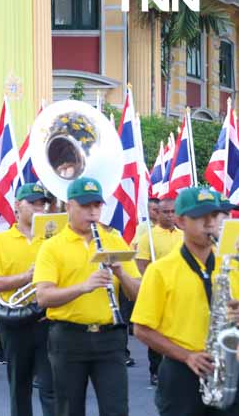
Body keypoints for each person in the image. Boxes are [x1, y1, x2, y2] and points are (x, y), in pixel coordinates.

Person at [34, 177, 141, 416]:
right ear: (69, 206)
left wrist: (121, 272)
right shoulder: (52, 246)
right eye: (85, 206)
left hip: (110, 338)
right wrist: (83, 287)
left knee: (116, 409)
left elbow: (137, 293)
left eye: (96, 205)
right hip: (68, 338)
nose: (92, 212)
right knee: (69, 410)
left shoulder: (113, 240)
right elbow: (43, 297)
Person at [132, 187, 239, 416]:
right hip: (181, 374)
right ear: (181, 221)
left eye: (214, 215)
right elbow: (141, 329)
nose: (210, 223)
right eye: (201, 216)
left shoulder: (231, 265)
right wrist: (187, 355)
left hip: (227, 369)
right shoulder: (160, 270)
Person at [0, 183, 55, 416]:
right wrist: (27, 277)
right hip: (15, 321)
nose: (39, 208)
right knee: (19, 387)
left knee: (51, 388)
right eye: (33, 203)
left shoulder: (52, 240)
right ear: (17, 205)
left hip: (48, 318)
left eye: (42, 204)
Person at [135, 196, 183, 385]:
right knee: (155, 332)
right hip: (158, 291)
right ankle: (155, 371)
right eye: (166, 212)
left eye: (173, 212)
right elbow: (141, 265)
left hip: (180, 292)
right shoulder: (148, 236)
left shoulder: (183, 235)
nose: (170, 216)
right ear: (157, 213)